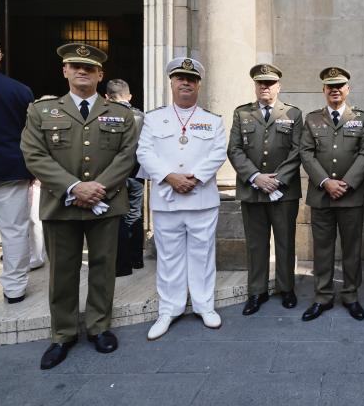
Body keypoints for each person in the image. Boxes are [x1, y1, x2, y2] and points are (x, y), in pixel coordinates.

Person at [21, 43, 138, 369]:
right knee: (62, 272)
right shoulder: (41, 112)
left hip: (106, 204)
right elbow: (34, 154)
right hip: (62, 205)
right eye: (75, 66)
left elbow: (126, 156)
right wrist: (74, 187)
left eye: (89, 67)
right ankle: (63, 334)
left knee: (103, 268)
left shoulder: (121, 114)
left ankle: (99, 327)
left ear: (100, 74)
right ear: (65, 71)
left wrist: (97, 189)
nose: (82, 71)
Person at [137, 58, 227, 339]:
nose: (185, 82)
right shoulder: (153, 118)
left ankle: (204, 305)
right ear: (172, 83)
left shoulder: (212, 120)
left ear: (198, 84)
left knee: (202, 255)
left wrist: (194, 178)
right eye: (179, 78)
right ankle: (169, 309)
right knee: (169, 257)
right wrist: (170, 177)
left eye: (190, 78)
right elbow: (144, 153)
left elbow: (217, 153)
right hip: (167, 198)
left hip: (201, 199)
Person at [228, 64, 303, 315]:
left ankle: (286, 287)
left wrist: (277, 179)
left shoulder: (293, 114)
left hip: (284, 192)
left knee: (285, 241)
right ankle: (256, 291)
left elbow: (298, 150)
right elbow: (234, 149)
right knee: (256, 244)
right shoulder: (242, 114)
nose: (265, 87)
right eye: (261, 83)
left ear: (278, 86)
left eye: (270, 83)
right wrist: (255, 177)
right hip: (253, 190)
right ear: (255, 86)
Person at [299, 67, 364, 321]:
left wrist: (347, 183)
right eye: (330, 86)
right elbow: (306, 153)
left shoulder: (360, 118)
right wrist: (325, 182)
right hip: (321, 195)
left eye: (340, 85)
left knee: (352, 249)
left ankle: (351, 295)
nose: (335, 90)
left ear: (347, 89)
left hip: (351, 196)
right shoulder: (312, 119)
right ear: (323, 90)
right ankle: (323, 296)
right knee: (322, 249)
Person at [0, 34, 34, 304]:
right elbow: (28, 134)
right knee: (14, 229)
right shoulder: (18, 90)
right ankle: (14, 288)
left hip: (9, 168)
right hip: (9, 167)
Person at [105, 79, 146, 276]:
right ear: (129, 96)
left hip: (113, 174)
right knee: (135, 215)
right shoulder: (142, 116)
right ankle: (136, 259)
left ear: (107, 97)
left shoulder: (104, 115)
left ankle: (121, 264)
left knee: (115, 216)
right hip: (137, 173)